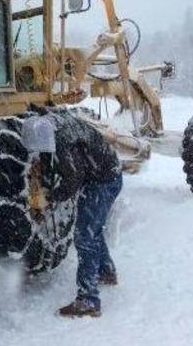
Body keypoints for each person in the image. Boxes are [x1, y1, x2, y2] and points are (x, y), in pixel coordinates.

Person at [21, 111, 123, 318]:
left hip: (103, 181)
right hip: (104, 175)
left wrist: (49, 197)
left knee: (85, 236)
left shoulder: (65, 143)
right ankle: (106, 271)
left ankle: (88, 300)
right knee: (92, 229)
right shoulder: (55, 125)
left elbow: (72, 181)